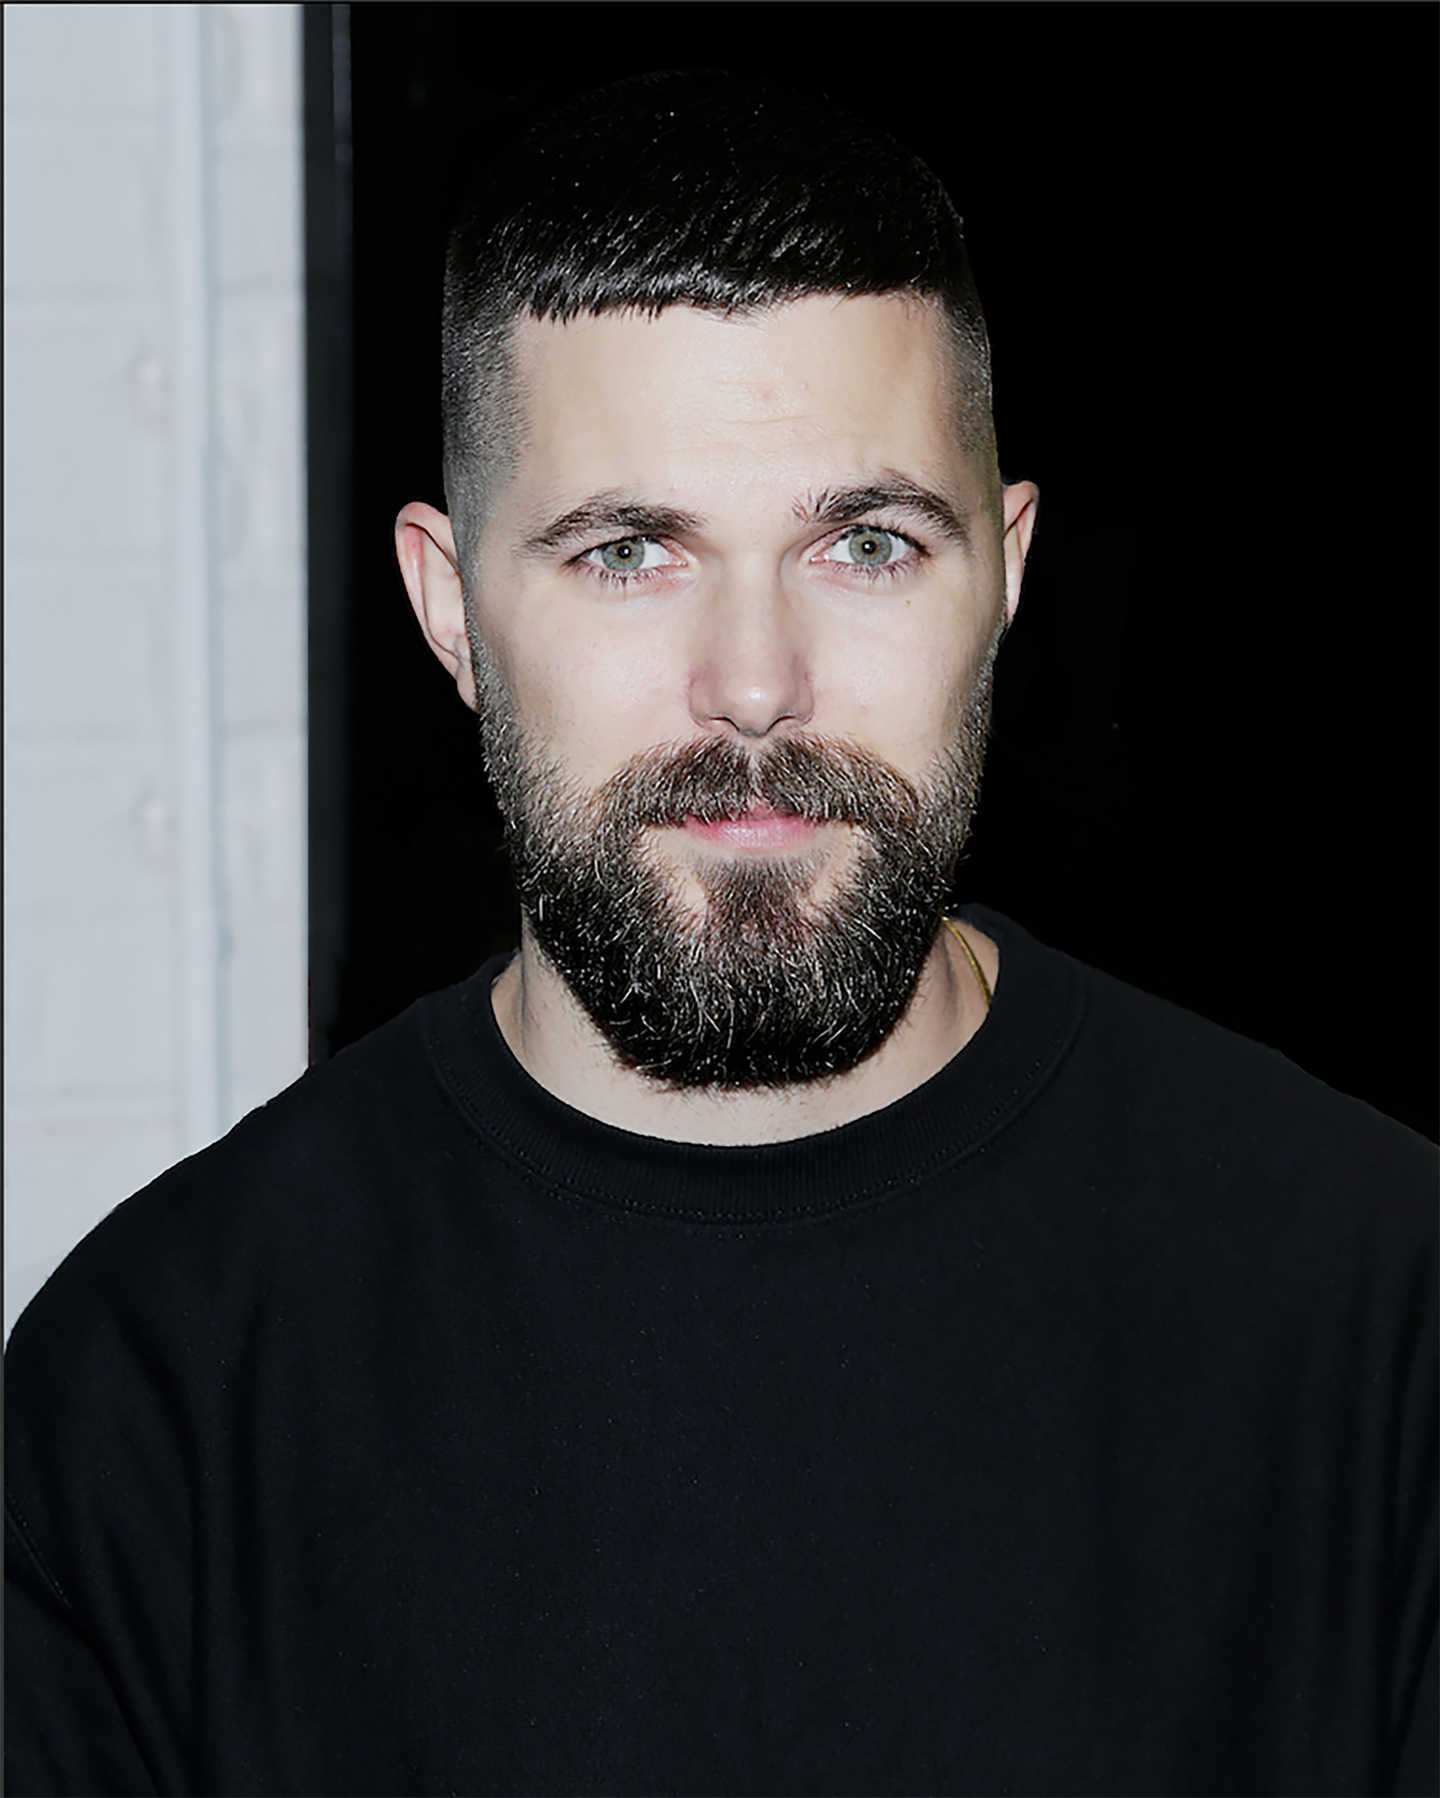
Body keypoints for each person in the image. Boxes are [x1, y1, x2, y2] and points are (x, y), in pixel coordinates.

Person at [6, 72, 1437, 1796]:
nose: (754, 683)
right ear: (451, 609)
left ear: (1004, 572)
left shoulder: (1374, 1311)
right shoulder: (160, 1394)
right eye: (630, 552)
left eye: (865, 543)